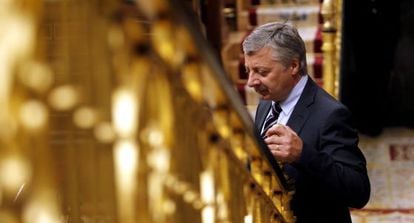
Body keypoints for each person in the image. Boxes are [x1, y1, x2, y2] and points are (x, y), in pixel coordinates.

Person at [242, 22, 370, 223]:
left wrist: (304, 154)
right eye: (248, 71)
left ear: (293, 66)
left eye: (262, 72)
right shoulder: (267, 103)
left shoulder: (331, 115)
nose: (251, 82)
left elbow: (359, 191)